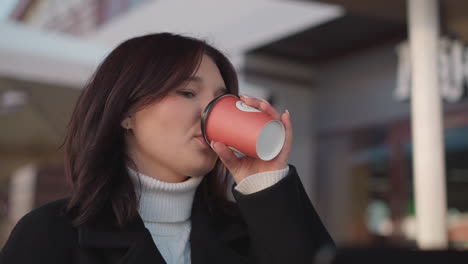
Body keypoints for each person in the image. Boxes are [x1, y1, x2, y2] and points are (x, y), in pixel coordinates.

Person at [0, 33, 333, 264]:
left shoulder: (252, 231)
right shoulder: (51, 235)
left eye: (220, 100)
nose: (208, 113)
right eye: (187, 93)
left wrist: (266, 182)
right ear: (126, 113)